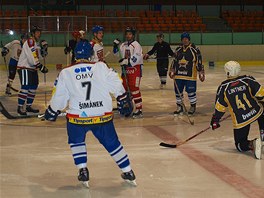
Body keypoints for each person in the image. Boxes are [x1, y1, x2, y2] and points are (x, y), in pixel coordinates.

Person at [44, 40, 136, 187]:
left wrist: (52, 110)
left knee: (76, 141)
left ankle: (82, 170)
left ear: (75, 54)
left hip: (78, 117)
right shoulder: (101, 67)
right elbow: (117, 82)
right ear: (91, 54)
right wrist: (122, 97)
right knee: (112, 143)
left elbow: (60, 97)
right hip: (102, 114)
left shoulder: (66, 72)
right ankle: (128, 170)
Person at [210, 61, 264, 159]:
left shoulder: (223, 87)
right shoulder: (247, 79)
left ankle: (252, 144)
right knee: (262, 113)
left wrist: (215, 120)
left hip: (241, 119)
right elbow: (261, 94)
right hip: (256, 112)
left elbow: (220, 108)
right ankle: (263, 135)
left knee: (240, 145)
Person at [169, 32, 205, 115]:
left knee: (191, 91)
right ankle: (179, 107)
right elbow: (174, 60)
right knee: (178, 92)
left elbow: (199, 61)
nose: (185, 40)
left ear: (189, 39)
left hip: (190, 75)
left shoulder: (195, 49)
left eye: (186, 39)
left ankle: (192, 106)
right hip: (178, 75)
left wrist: (201, 72)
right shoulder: (178, 49)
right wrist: (172, 70)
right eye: (183, 39)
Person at [16, 26, 48, 115]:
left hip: (32, 68)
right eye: (37, 32)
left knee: (33, 87)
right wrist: (40, 66)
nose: (39, 34)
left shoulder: (36, 44)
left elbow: (38, 56)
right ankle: (20, 107)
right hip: (25, 67)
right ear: (33, 33)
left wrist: (44, 51)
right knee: (25, 87)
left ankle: (28, 106)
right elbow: (32, 56)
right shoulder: (30, 41)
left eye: (39, 32)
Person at [113, 27, 143, 118]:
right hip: (125, 70)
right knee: (124, 88)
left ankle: (139, 109)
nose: (128, 35)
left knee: (134, 88)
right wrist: (115, 46)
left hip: (135, 69)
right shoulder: (123, 45)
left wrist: (126, 61)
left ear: (133, 35)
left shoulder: (136, 45)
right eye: (127, 34)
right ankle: (127, 106)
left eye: (130, 34)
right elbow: (117, 54)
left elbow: (137, 57)